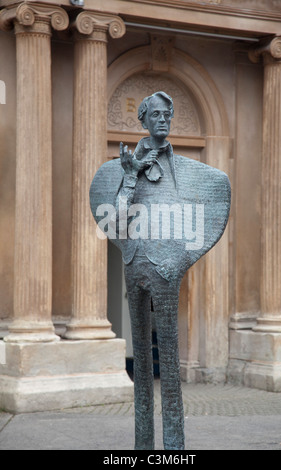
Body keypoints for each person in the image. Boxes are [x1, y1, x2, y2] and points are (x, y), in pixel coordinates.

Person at [90, 91, 231, 450]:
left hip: (167, 270)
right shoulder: (123, 167)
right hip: (133, 264)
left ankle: (174, 449)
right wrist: (132, 175)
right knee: (140, 365)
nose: (163, 119)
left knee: (168, 365)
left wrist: (180, 259)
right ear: (144, 119)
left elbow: (203, 215)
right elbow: (117, 219)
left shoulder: (187, 171)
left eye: (168, 114)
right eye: (156, 114)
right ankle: (142, 446)